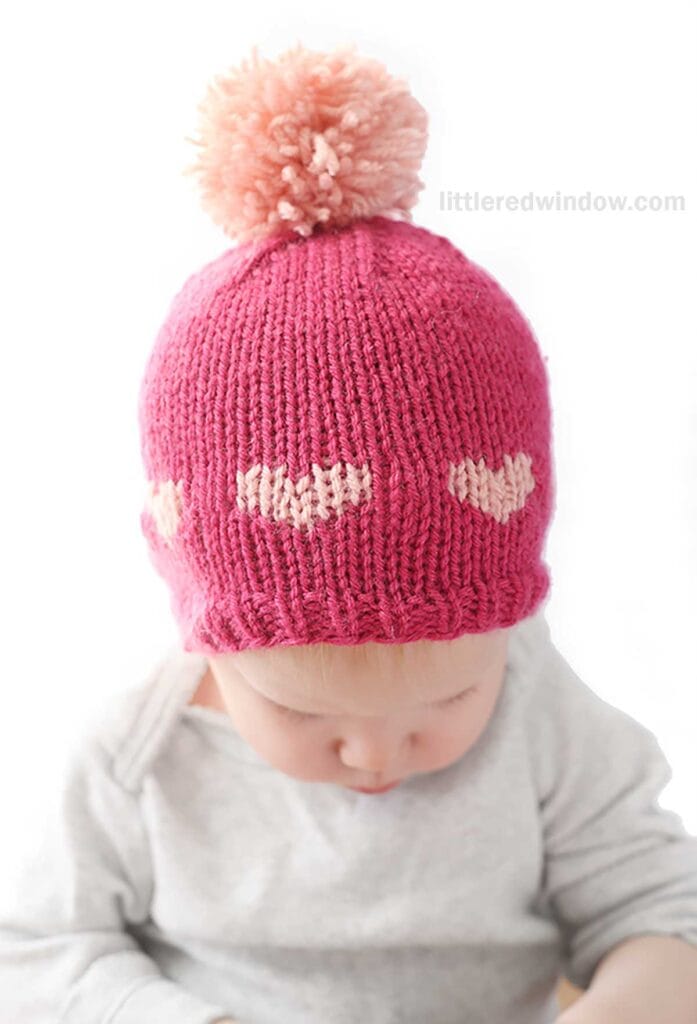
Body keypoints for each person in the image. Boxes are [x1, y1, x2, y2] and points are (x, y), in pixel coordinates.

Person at [1, 42, 696, 1024]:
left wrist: (632, 995)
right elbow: (36, 949)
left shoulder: (541, 715)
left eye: (448, 695)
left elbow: (659, 909)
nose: (374, 755)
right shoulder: (140, 758)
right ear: (208, 638)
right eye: (300, 714)